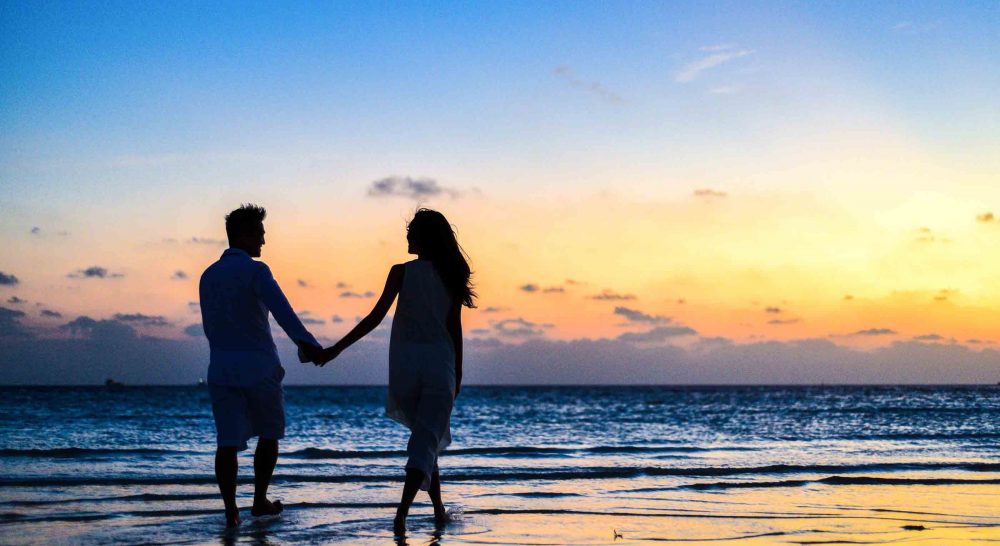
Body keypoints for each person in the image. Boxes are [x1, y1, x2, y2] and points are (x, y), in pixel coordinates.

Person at [319, 208, 475, 534]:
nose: (406, 236)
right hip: (439, 367)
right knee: (424, 441)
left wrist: (336, 349)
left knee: (425, 439)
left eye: (411, 231)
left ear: (424, 237)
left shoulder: (401, 272)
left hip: (405, 369)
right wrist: (458, 373)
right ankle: (401, 515)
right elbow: (453, 327)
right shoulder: (451, 273)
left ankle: (438, 510)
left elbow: (374, 318)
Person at [199, 204, 325, 528]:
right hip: (259, 366)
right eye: (260, 234)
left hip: (221, 368)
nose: (263, 243)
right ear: (244, 234)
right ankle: (258, 500)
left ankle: (231, 511)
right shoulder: (257, 272)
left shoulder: (207, 276)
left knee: (227, 442)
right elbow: (283, 312)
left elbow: (210, 325)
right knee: (269, 434)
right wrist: (309, 345)